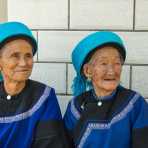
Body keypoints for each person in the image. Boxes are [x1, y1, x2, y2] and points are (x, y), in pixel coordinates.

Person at [64, 31, 148, 148]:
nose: (112, 71)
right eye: (103, 63)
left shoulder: (135, 104)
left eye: (117, 63)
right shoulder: (76, 107)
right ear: (88, 71)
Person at [0, 21, 70, 148]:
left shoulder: (44, 96)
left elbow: (51, 143)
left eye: (28, 56)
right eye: (15, 56)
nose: (23, 63)